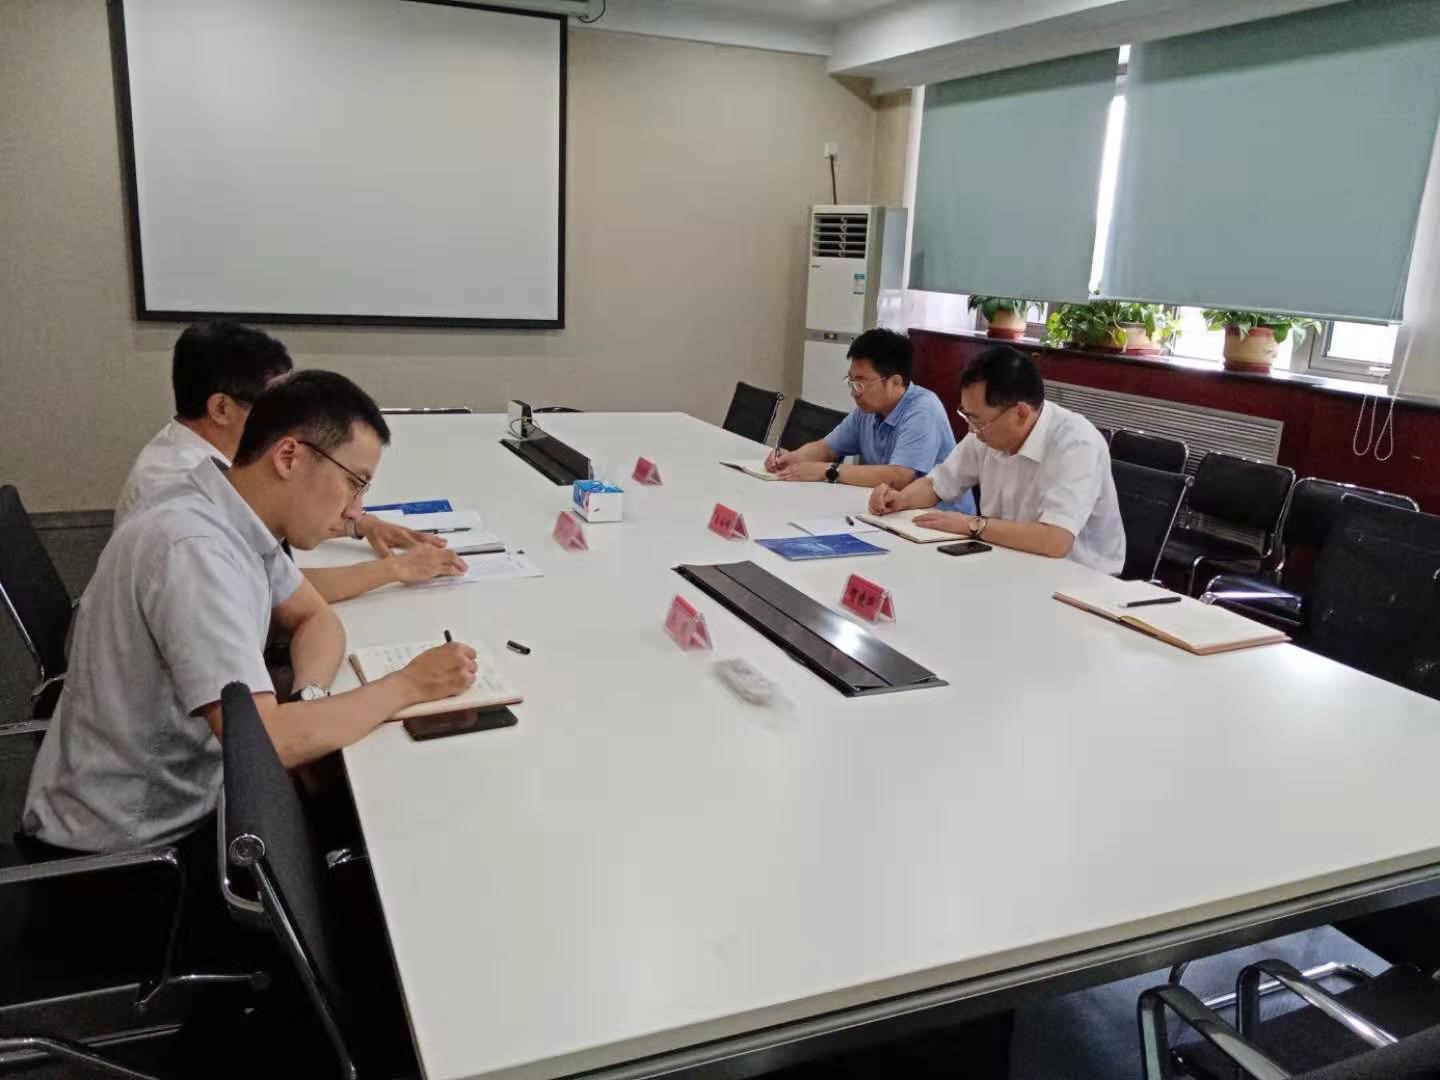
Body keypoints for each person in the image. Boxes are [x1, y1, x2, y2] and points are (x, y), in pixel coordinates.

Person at [23, 370, 479, 857]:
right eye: (354, 483)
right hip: (135, 846)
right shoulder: (194, 550)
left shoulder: (231, 507)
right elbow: (266, 746)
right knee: (404, 827)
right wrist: (409, 684)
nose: (356, 511)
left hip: (194, 788)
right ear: (288, 456)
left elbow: (316, 618)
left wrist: (308, 698)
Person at [114, 321, 464, 599]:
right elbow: (273, 594)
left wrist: (357, 525)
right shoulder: (178, 485)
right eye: (271, 403)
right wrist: (395, 569)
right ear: (221, 408)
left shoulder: (208, 455)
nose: (287, 416)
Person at [868, 344, 1124, 574]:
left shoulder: (1077, 442)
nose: (972, 429)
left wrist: (972, 525)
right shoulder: (987, 431)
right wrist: (901, 500)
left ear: (1020, 413)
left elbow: (1055, 541)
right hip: (1006, 558)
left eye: (977, 420)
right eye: (967, 416)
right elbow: (939, 483)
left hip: (1077, 580)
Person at [763, 329, 974, 511]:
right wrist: (794, 458)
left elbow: (900, 476)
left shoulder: (923, 409)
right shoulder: (867, 410)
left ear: (895, 382)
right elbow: (827, 448)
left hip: (940, 524)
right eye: (851, 381)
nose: (854, 392)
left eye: (861, 383)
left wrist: (829, 471)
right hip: (892, 512)